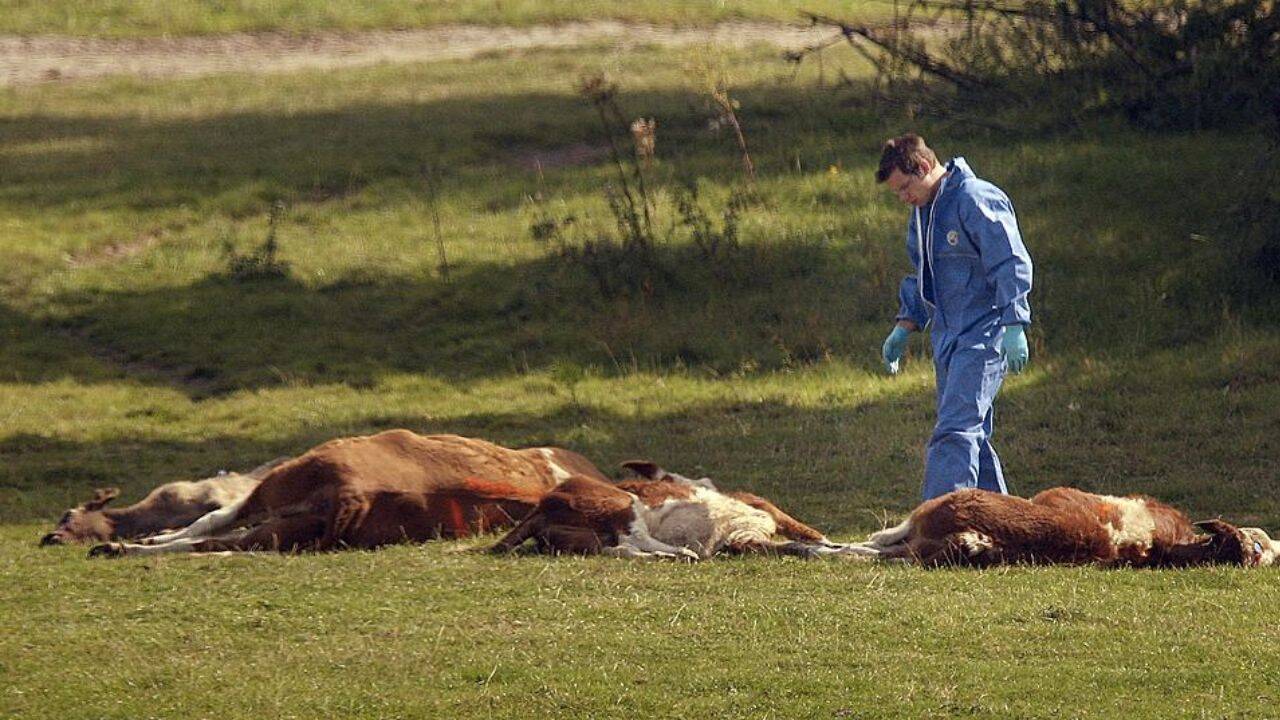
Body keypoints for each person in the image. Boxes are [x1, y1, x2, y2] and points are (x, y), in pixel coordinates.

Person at [875, 134, 1033, 500]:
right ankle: (1004, 520)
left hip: (985, 335)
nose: (903, 198)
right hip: (949, 338)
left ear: (925, 167)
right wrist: (904, 325)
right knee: (970, 432)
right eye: (896, 193)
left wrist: (1014, 322)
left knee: (955, 430)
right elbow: (924, 275)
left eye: (904, 187)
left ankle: (939, 523)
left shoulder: (975, 198)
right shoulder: (922, 216)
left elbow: (1009, 260)